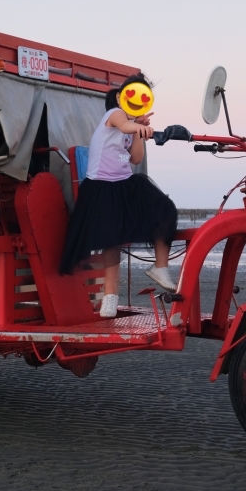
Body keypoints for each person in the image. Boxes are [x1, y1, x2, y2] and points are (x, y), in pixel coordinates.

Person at [59, 73, 179, 318]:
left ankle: (160, 267)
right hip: (101, 186)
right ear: (119, 96)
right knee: (110, 240)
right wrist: (140, 127)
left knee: (165, 209)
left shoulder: (132, 125)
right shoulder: (114, 115)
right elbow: (124, 125)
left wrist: (139, 132)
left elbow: (135, 159)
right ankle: (110, 297)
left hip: (124, 184)